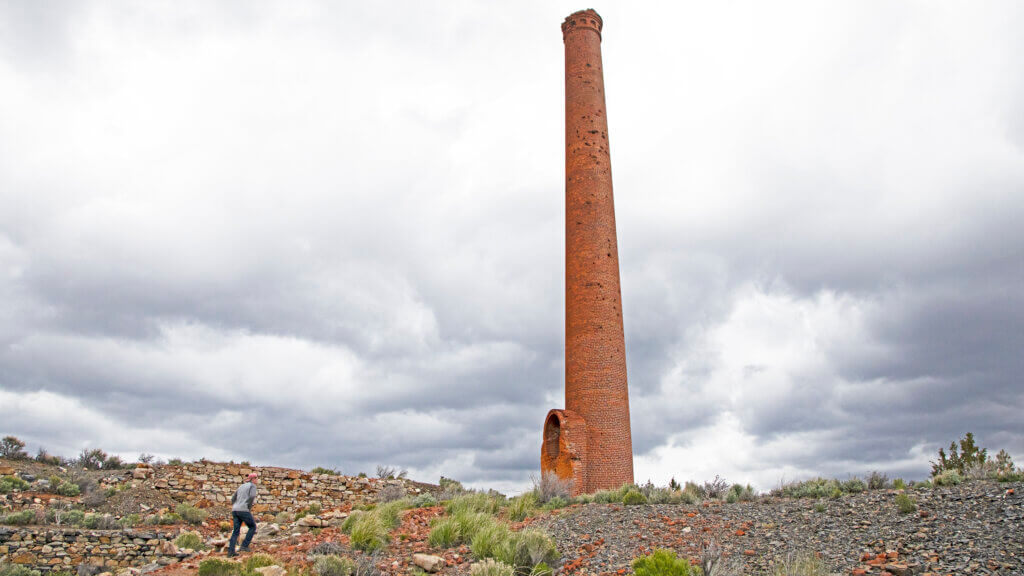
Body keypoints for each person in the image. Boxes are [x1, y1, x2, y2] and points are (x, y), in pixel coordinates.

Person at [227, 472, 259, 557]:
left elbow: (233, 498)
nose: (257, 480)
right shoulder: (252, 486)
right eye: (256, 478)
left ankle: (231, 551)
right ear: (252, 479)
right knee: (252, 526)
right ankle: (244, 546)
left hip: (235, 510)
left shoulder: (241, 486)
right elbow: (252, 496)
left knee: (236, 531)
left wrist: (235, 505)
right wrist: (248, 506)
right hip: (243, 509)